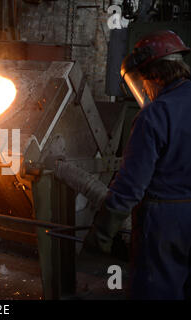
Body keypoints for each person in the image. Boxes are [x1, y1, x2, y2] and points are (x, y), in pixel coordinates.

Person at [83, 30, 191, 299]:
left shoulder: (154, 115)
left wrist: (103, 233)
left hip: (165, 223)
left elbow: (130, 187)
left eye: (142, 82)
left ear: (154, 75)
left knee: (155, 291)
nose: (144, 91)